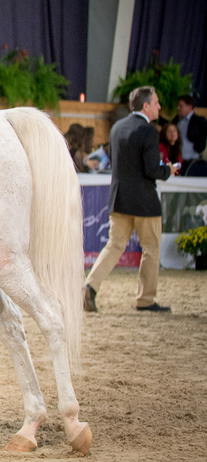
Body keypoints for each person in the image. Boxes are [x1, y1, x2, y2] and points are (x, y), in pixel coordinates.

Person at [83, 86, 178, 315]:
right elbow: (151, 169)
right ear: (146, 106)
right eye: (156, 103)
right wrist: (169, 170)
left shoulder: (117, 127)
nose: (159, 107)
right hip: (145, 202)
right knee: (151, 249)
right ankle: (145, 299)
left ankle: (90, 287)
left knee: (113, 246)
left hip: (120, 199)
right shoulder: (149, 131)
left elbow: (118, 164)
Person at [173, 95, 206, 174]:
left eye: (181, 106)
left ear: (190, 107)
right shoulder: (176, 120)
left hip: (191, 161)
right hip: (177, 161)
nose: (178, 108)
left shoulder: (199, 121)